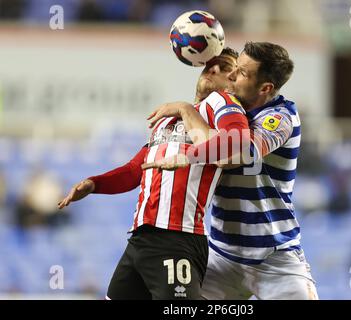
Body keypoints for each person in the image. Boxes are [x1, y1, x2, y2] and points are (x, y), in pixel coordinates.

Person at [58, 47, 250, 300]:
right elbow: (134, 170)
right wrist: (95, 184)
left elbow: (236, 142)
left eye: (225, 68)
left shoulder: (224, 106)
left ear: (234, 81)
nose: (212, 69)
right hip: (140, 238)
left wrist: (184, 108)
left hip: (178, 238)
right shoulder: (166, 120)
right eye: (208, 65)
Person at [145, 42, 318, 299]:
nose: (233, 76)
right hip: (221, 256)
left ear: (265, 88)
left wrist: (186, 112)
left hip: (274, 258)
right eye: (234, 68)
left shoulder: (281, 116)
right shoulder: (223, 113)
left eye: (243, 73)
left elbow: (236, 153)